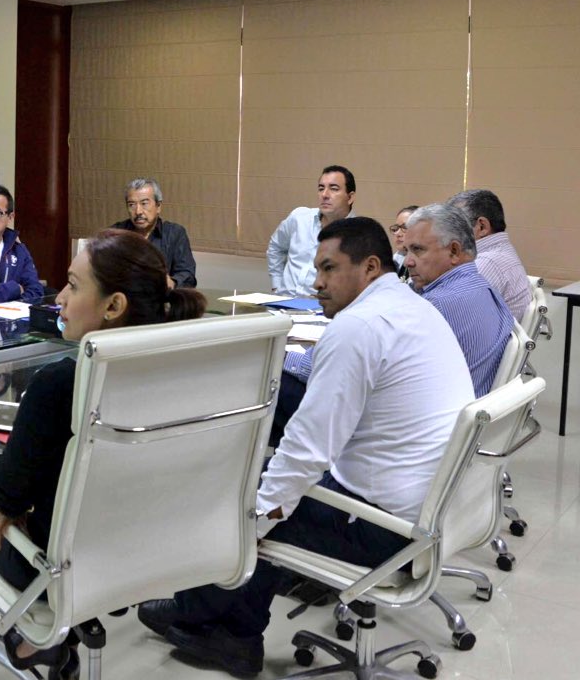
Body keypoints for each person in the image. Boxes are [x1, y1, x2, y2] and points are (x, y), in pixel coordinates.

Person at [137, 217, 474, 677]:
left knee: (250, 494)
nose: (316, 283)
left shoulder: (358, 328)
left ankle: (204, 616)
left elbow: (307, 450)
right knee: (280, 489)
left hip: (385, 529)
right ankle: (234, 628)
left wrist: (253, 521)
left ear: (371, 266)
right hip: (426, 511)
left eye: (329, 269)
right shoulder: (413, 307)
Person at [0, 229, 207, 677]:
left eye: (72, 284)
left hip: (65, 566)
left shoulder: (58, 384)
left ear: (114, 306)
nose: (59, 298)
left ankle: (33, 634)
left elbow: (5, 497)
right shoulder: (184, 373)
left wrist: (11, 505)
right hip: (154, 553)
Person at [403, 203, 514, 397]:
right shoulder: (483, 287)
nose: (408, 262)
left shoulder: (434, 307)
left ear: (454, 251)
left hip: (442, 418)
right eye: (406, 251)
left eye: (418, 250)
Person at [267, 165, 357, 296]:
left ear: (350, 197)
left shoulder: (359, 233)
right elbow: (276, 247)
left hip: (323, 310)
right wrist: (276, 285)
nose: (325, 195)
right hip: (282, 303)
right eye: (321, 188)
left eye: (333, 189)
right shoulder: (299, 218)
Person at [446, 189, 532, 322]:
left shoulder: (486, 263)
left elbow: (448, 313)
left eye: (454, 226)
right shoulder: (499, 253)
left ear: (482, 227)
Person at [110, 177, 197, 288]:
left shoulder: (174, 234)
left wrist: (172, 282)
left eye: (144, 203)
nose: (138, 211)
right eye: (131, 205)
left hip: (161, 301)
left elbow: (187, 275)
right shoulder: (116, 233)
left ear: (158, 206)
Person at [390, 205, 418, 281]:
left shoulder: (424, 264)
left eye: (404, 227)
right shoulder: (394, 260)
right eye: (396, 228)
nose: (398, 234)